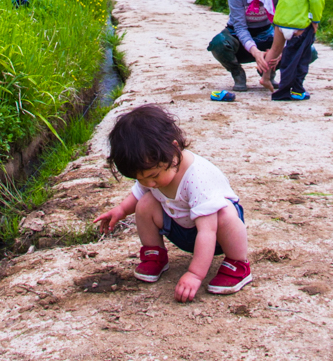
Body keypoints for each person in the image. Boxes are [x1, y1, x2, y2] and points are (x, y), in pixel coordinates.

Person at [95, 103, 251, 301]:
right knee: (145, 203)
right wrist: (120, 211)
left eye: (153, 176)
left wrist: (194, 274)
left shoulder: (197, 177)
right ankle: (155, 254)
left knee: (225, 214)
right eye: (140, 178)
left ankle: (238, 263)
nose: (149, 183)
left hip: (217, 234)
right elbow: (137, 195)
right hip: (182, 229)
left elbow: (207, 231)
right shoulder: (153, 171)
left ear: (173, 149)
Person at [206, 0, 279, 91]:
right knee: (218, 44)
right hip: (238, 36)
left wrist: (278, 49)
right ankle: (237, 73)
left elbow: (280, 23)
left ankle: (268, 72)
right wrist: (256, 52)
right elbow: (240, 27)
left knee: (304, 49)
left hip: (265, 33)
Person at [259, 0, 325, 102]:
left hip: (280, 22)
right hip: (299, 26)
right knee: (298, 58)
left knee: (275, 50)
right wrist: (315, 20)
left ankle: (265, 77)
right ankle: (292, 89)